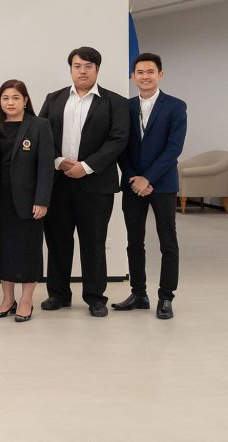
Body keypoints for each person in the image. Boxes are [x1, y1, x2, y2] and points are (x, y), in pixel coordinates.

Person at [38, 46, 129, 317]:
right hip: (58, 182)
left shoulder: (115, 102)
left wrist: (86, 167)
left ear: (97, 69)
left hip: (96, 185)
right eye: (77, 66)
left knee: (93, 241)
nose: (82, 71)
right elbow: (41, 135)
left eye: (88, 66)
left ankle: (95, 297)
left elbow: (118, 139)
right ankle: (58, 294)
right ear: (71, 69)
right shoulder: (54, 99)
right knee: (57, 241)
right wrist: (58, 161)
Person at [114, 53, 187, 320]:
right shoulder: (125, 107)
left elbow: (173, 148)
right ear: (133, 76)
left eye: (150, 72)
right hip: (133, 184)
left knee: (168, 241)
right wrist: (135, 178)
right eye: (140, 72)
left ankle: (166, 297)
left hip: (163, 184)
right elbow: (120, 145)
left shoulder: (176, 106)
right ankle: (139, 294)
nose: (145, 76)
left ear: (160, 75)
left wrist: (149, 178)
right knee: (134, 241)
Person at [0, 80, 54, 323]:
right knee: (2, 250)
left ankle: (26, 301)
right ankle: (7, 299)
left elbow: (46, 166)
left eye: (15, 98)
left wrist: (42, 200)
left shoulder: (39, 125)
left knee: (28, 251)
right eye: (5, 98)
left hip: (29, 201)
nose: (10, 103)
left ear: (25, 101)